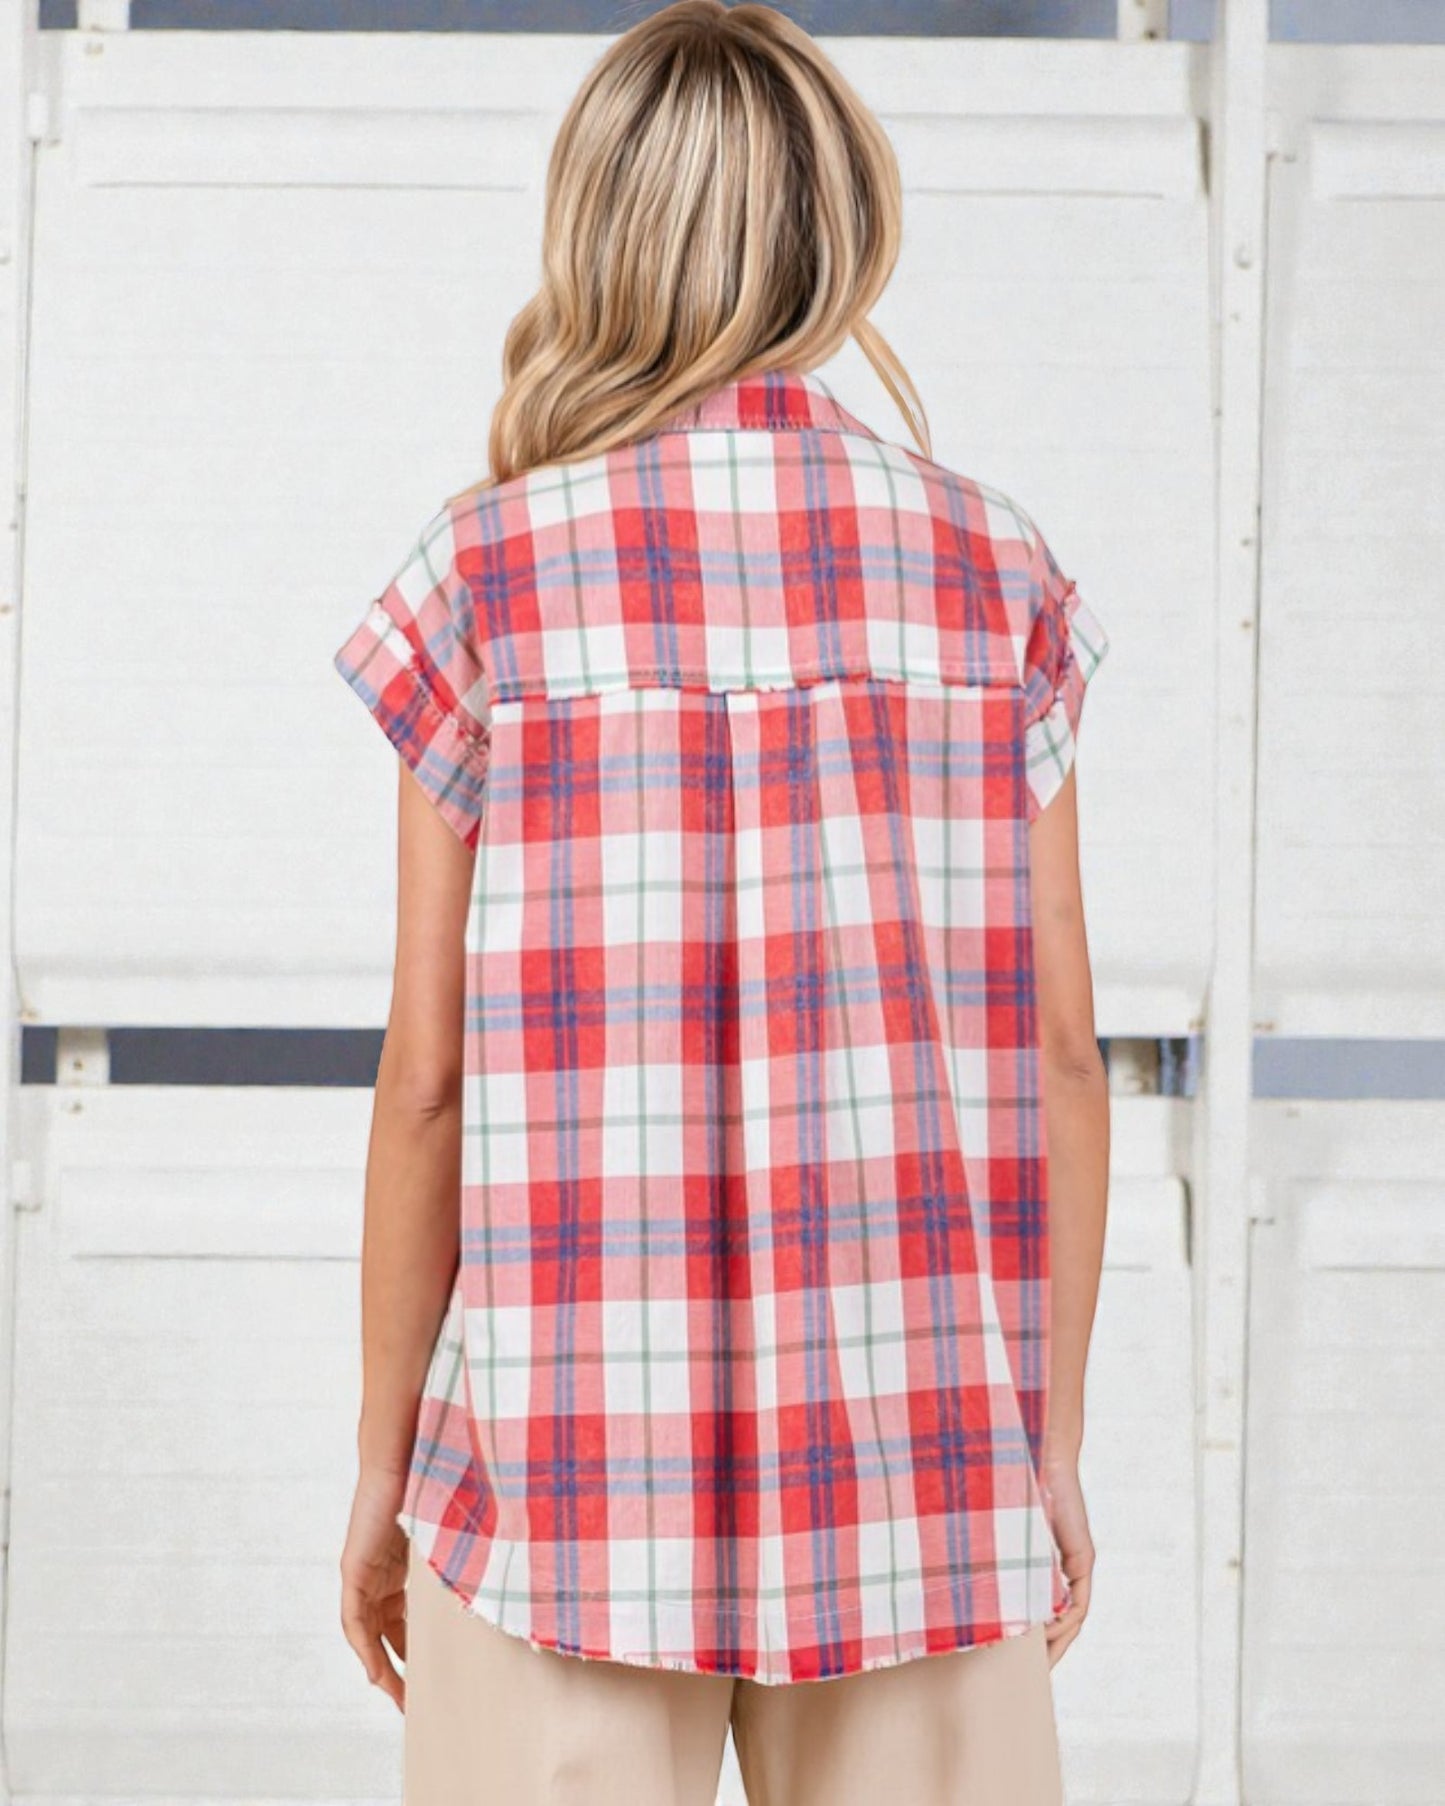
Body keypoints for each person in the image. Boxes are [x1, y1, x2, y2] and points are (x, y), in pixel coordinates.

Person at [331, 4, 1111, 1802]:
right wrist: (1045, 1438)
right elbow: (1064, 1056)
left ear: (596, 224)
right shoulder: (990, 569)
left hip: (559, 1468)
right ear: (840, 228)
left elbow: (428, 1081)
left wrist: (384, 1464)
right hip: (920, 1462)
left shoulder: (490, 572)